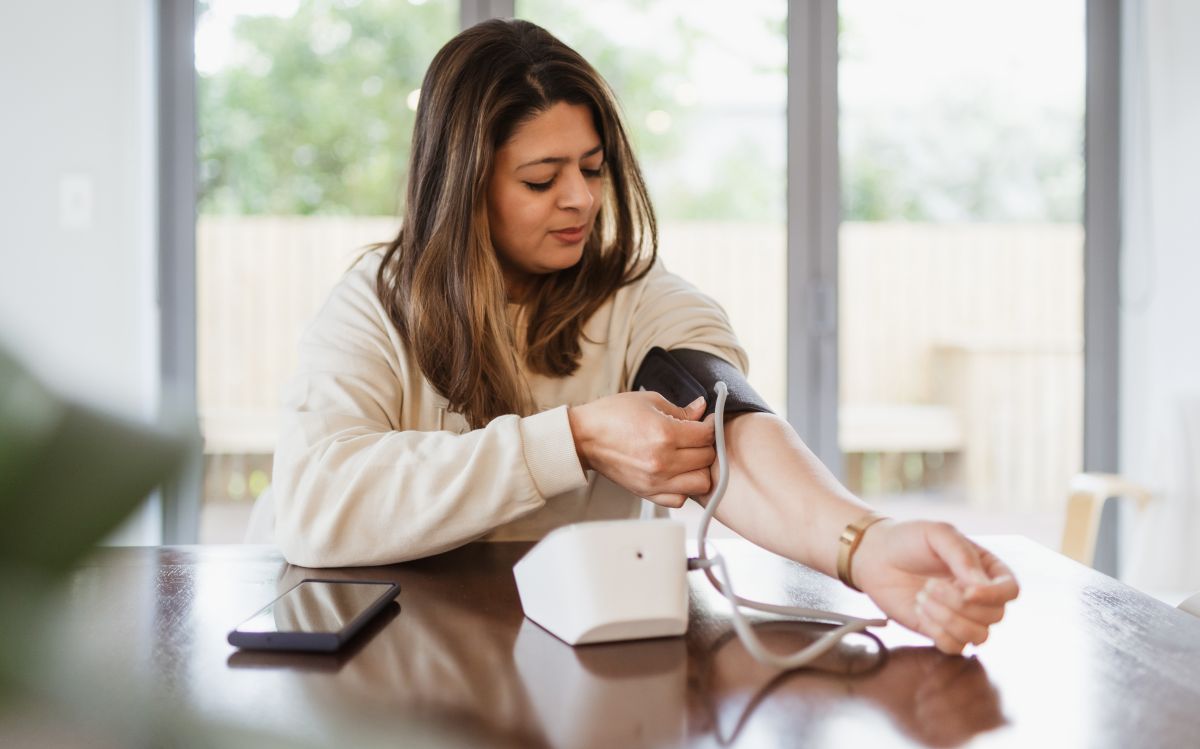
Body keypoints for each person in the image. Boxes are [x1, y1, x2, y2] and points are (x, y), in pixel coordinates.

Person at [272, 18, 1018, 655]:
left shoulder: (640, 300)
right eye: (541, 179)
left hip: (581, 659)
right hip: (399, 670)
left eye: (593, 168)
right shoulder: (375, 301)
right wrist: (574, 437)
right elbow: (314, 505)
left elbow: (731, 430)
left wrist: (865, 542)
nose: (582, 199)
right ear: (463, 185)